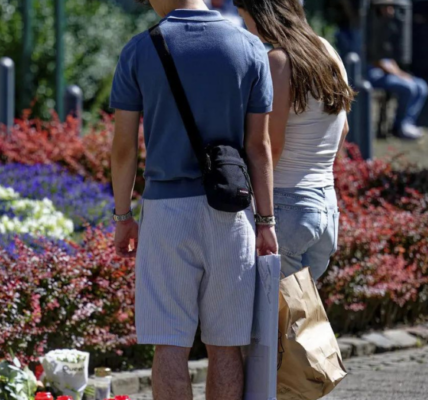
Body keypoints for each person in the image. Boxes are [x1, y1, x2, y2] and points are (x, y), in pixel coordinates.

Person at [110, 0, 278, 399]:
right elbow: (259, 147)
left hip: (166, 212)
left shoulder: (140, 49)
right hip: (231, 211)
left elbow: (123, 148)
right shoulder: (249, 47)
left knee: (170, 343)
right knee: (225, 345)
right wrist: (267, 223)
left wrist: (122, 215)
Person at [235, 0, 354, 280]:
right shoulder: (327, 50)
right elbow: (344, 128)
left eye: (246, 19)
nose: (248, 28)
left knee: (276, 318)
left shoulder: (278, 61)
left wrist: (257, 210)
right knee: (303, 315)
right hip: (325, 205)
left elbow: (269, 146)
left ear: (263, 15)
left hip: (287, 206)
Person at [367, 3, 428, 140]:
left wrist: (401, 73)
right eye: (386, 7)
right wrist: (400, 75)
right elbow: (377, 61)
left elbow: (389, 58)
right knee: (409, 87)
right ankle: (399, 126)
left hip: (388, 71)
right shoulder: (371, 28)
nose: (391, 11)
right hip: (373, 74)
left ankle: (408, 122)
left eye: (391, 7)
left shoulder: (387, 26)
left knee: (421, 85)